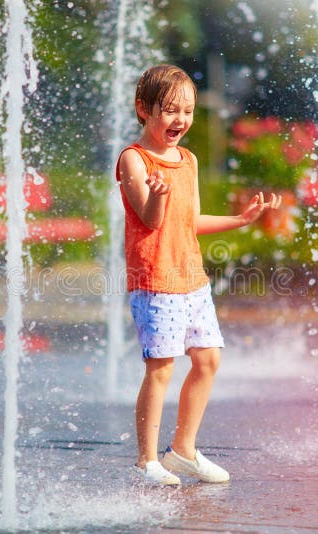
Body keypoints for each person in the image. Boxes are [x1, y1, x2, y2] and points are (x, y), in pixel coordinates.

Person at [117, 64, 281, 485]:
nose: (180, 120)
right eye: (170, 110)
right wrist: (156, 195)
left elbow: (188, 220)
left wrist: (240, 219)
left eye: (187, 111)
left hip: (191, 277)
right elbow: (152, 220)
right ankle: (146, 460)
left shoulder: (187, 160)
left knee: (208, 359)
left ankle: (184, 451)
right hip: (156, 280)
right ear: (143, 109)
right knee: (161, 367)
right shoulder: (134, 160)